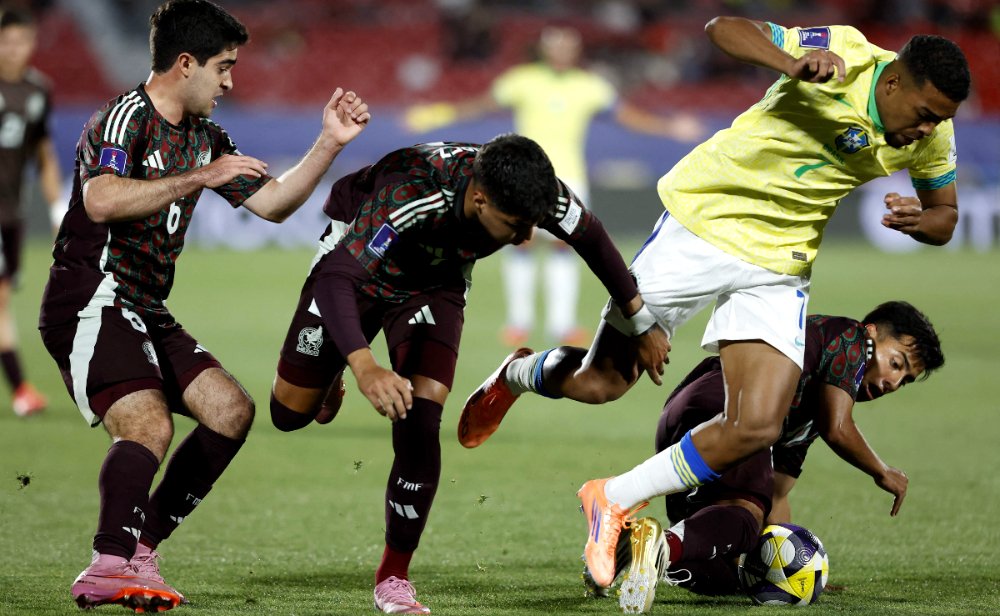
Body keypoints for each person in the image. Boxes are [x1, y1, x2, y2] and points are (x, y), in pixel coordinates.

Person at [458, 16, 971, 591]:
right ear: (894, 81)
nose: (929, 128)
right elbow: (723, 27)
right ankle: (520, 371)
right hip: (705, 225)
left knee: (757, 425)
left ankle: (611, 498)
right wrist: (788, 63)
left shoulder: (933, 136)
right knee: (600, 384)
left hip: (780, 262)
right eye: (925, 113)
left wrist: (924, 221)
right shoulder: (844, 53)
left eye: (941, 119)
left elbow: (946, 215)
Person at [37, 0, 370, 611]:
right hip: (90, 293)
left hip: (142, 303)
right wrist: (199, 178)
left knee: (229, 411)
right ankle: (107, 565)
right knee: (147, 424)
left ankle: (140, 549)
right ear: (184, 63)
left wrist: (328, 143)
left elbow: (270, 205)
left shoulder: (205, 136)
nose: (230, 81)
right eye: (223, 67)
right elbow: (102, 200)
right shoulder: (124, 119)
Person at [268, 133, 663, 614]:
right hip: (358, 268)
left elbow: (593, 239)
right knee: (289, 414)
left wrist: (639, 321)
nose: (524, 239)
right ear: (479, 199)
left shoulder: (533, 191)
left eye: (532, 226)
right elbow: (339, 278)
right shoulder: (413, 193)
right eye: (516, 227)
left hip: (436, 284)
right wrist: (365, 365)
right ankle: (332, 371)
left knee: (421, 419)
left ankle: (393, 576)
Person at [595, 301, 944, 612]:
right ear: (871, 335)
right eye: (895, 363)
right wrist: (882, 471)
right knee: (744, 520)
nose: (893, 382)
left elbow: (775, 494)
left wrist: (795, 573)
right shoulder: (850, 338)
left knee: (725, 573)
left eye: (905, 380)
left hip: (687, 411)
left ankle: (624, 551)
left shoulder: (807, 412)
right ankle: (660, 543)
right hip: (725, 400)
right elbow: (838, 426)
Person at [405, 25, 702, 348]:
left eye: (567, 45)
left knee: (566, 247)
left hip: (569, 179)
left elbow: (627, 115)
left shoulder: (590, 86)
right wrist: (440, 114)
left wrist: (670, 127)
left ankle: (562, 325)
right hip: (525, 177)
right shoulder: (523, 80)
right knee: (522, 243)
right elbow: (483, 104)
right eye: (555, 45)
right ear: (544, 49)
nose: (561, 51)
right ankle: (519, 322)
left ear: (576, 51)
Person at [0, 7, 63, 417]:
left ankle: (21, 389)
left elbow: (43, 153)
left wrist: (57, 207)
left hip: (12, 213)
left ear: (32, 43)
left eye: (20, 40)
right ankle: (21, 389)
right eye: (5, 40)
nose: (12, 48)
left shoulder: (38, 91)